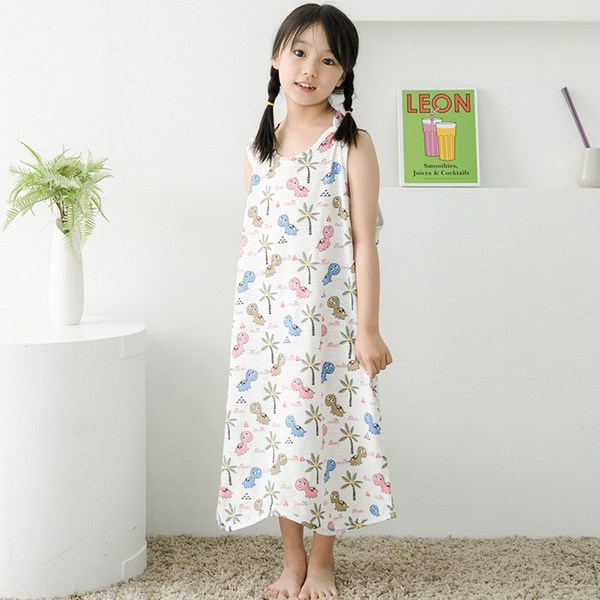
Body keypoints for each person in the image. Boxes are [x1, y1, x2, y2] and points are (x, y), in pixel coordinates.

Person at [216, 4, 395, 598]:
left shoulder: (352, 144)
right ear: (276, 57)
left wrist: (368, 328)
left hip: (331, 325)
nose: (310, 70)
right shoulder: (257, 151)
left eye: (328, 60)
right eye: (299, 53)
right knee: (282, 443)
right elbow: (257, 245)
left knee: (331, 435)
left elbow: (365, 242)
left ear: (343, 74)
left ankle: (322, 560)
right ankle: (291, 559)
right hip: (268, 328)